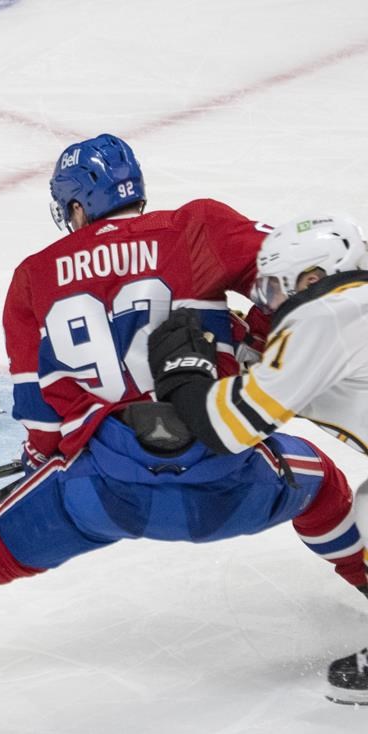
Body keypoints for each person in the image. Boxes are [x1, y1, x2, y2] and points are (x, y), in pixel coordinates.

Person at [0, 134, 366, 682]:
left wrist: (40, 464)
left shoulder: (35, 275)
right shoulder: (194, 229)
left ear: (76, 207)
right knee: (322, 482)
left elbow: (40, 417)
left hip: (103, 491)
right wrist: (249, 334)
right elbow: (297, 285)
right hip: (228, 480)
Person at [146, 214, 368, 705]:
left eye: (273, 288)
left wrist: (183, 376)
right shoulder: (351, 308)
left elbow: (230, 427)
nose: (267, 304)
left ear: (313, 279)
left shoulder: (325, 316)